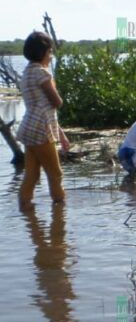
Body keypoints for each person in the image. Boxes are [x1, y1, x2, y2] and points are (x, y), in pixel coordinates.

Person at [17, 31, 69, 211]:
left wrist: (61, 134)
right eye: (50, 52)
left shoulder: (27, 73)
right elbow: (57, 102)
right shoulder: (41, 73)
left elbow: (45, 108)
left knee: (31, 174)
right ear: (44, 53)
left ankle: (26, 209)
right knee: (56, 173)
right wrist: (53, 84)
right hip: (41, 130)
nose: (51, 56)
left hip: (29, 128)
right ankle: (60, 208)